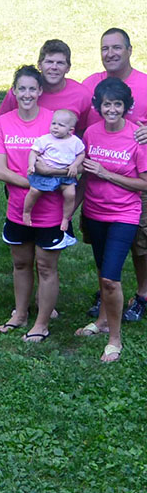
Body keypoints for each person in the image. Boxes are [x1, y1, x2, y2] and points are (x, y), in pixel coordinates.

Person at [0, 66, 70, 343]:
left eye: (31, 89)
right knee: (21, 264)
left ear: (40, 91)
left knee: (46, 267)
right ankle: (20, 313)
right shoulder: (3, 123)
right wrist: (37, 183)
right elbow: (0, 171)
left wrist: (46, 181)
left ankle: (41, 323)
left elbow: (69, 163)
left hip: (50, 211)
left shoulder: (54, 122)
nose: (26, 94)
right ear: (14, 91)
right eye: (21, 89)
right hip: (17, 208)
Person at [73, 78, 147, 362]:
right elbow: (84, 178)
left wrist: (106, 173)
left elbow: (144, 184)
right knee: (102, 271)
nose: (112, 109)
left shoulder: (137, 137)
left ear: (126, 107)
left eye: (118, 104)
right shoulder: (91, 133)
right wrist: (69, 213)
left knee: (111, 279)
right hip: (94, 213)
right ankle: (102, 320)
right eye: (107, 104)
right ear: (98, 106)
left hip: (123, 216)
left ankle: (114, 339)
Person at [80, 29, 147, 322]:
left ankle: (143, 295)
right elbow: (75, 117)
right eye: (105, 48)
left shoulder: (144, 84)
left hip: (136, 174)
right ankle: (107, 291)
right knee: (103, 242)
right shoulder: (91, 84)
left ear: (130, 50)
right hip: (97, 183)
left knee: (141, 242)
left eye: (117, 47)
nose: (110, 53)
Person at [0, 39, 91, 132]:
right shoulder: (23, 92)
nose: (54, 67)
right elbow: (1, 124)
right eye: (49, 62)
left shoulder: (82, 95)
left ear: (68, 68)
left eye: (60, 63)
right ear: (39, 65)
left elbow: (85, 132)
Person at [23, 109, 85, 231]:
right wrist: (31, 165)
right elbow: (33, 153)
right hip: (45, 175)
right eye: (54, 123)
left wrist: (74, 165)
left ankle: (66, 218)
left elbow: (81, 154)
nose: (55, 127)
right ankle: (26, 212)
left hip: (65, 175)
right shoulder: (45, 139)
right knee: (34, 191)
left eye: (61, 125)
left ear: (70, 130)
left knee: (71, 194)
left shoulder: (75, 142)